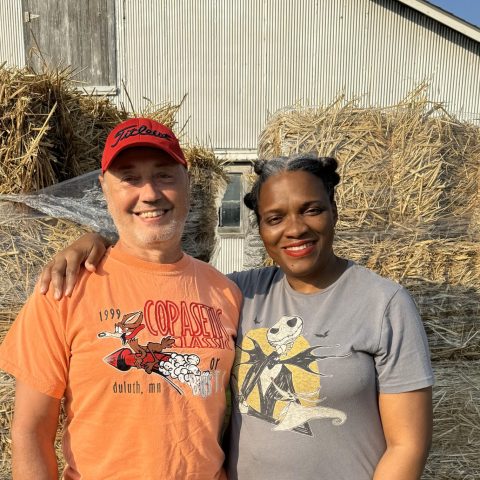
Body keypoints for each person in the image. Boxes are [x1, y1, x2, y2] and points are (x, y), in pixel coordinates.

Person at [36, 154, 434, 479]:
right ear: (260, 228)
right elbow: (162, 272)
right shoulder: (237, 292)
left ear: (334, 211)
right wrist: (97, 241)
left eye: (311, 210)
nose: (294, 229)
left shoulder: (384, 303)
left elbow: (408, 444)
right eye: (274, 218)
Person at [0, 117, 242, 479]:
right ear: (104, 188)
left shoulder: (226, 292)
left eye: (163, 175)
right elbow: (31, 431)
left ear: (187, 183)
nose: (149, 193)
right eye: (129, 178)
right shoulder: (64, 289)